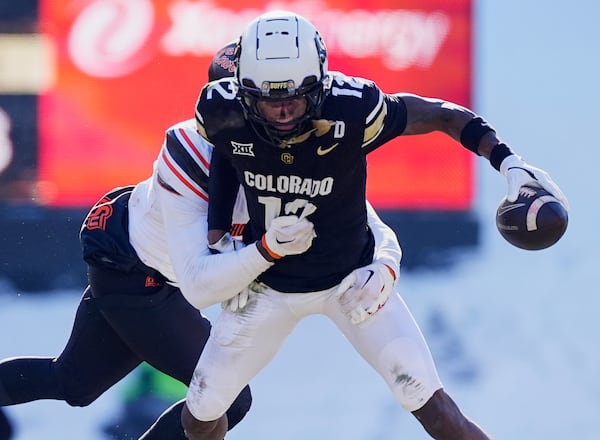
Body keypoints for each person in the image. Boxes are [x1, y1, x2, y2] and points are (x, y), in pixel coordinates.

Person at [184, 10, 569, 440]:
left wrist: (509, 163)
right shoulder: (221, 110)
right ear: (243, 92)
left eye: (296, 96)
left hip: (354, 284)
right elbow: (224, 156)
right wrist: (220, 243)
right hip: (266, 286)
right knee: (199, 414)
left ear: (322, 82)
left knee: (437, 411)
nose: (283, 112)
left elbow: (444, 116)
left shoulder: (353, 108)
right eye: (269, 100)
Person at [0, 41, 399, 439]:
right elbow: (201, 278)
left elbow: (357, 214)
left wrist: (384, 260)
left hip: (153, 267)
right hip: (137, 271)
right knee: (224, 397)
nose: (279, 117)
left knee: (73, 382)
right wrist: (257, 259)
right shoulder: (193, 150)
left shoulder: (290, 143)